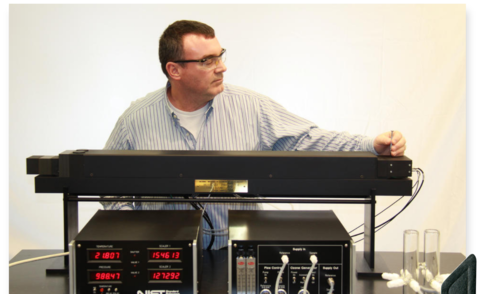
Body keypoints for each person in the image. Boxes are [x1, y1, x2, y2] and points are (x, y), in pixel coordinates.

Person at [102, 20, 407, 249]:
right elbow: (107, 185)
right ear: (174, 70)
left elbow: (308, 139)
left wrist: (370, 145)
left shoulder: (251, 107)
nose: (221, 67)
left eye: (220, 56)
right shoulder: (136, 120)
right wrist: (140, 237)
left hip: (240, 257)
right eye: (207, 61)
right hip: (167, 261)